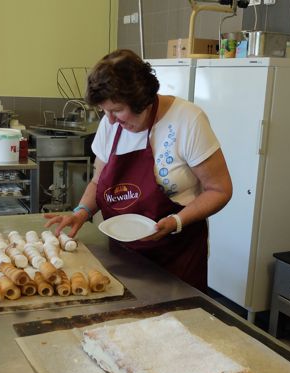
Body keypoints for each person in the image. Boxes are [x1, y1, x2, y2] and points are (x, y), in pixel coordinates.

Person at [44, 49, 231, 291]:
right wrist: (81, 212)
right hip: (124, 258)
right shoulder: (110, 125)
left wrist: (176, 221)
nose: (110, 120)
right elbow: (98, 181)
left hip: (176, 259)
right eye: (104, 111)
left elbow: (219, 189)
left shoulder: (187, 121)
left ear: (142, 99)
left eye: (117, 110)